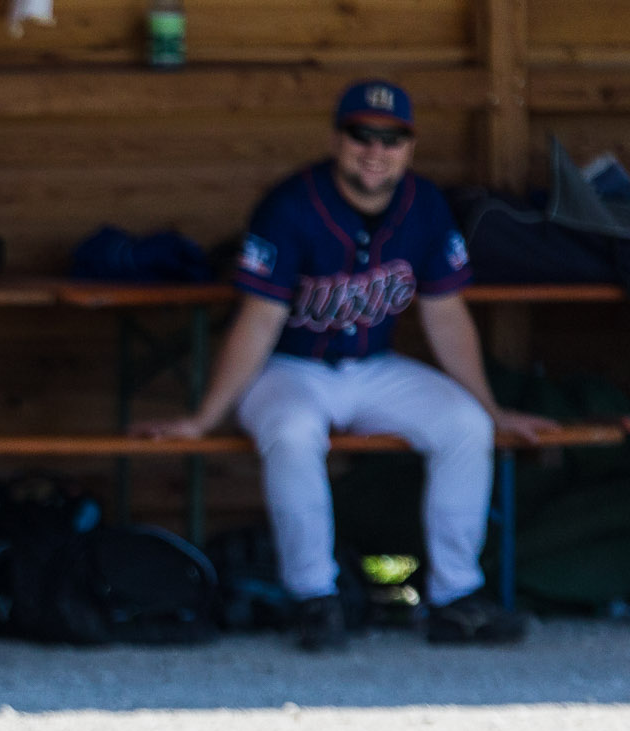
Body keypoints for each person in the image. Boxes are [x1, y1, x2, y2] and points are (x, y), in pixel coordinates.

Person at [137, 79, 557, 651]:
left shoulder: (425, 205)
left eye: (391, 138)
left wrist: (492, 408)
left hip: (374, 366)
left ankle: (455, 598)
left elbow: (446, 315)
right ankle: (313, 597)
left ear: (409, 147)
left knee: (467, 426)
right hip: (289, 369)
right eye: (362, 134)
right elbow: (258, 321)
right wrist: (205, 417)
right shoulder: (290, 204)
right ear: (337, 139)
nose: (375, 150)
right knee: (292, 431)